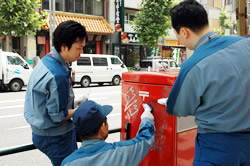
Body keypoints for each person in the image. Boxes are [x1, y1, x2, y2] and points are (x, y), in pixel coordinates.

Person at [158, 0, 250, 166]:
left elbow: (178, 108)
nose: (179, 40)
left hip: (218, 146)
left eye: (177, 35)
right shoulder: (245, 44)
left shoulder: (192, 65)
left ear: (184, 32)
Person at [24, 20, 88, 166]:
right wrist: (79, 110)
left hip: (40, 130)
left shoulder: (47, 60)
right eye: (79, 48)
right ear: (64, 46)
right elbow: (58, 116)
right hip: (55, 136)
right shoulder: (57, 74)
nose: (81, 53)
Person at [61, 100, 155, 166]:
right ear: (102, 127)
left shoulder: (68, 163)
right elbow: (145, 139)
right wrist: (147, 118)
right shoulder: (120, 152)